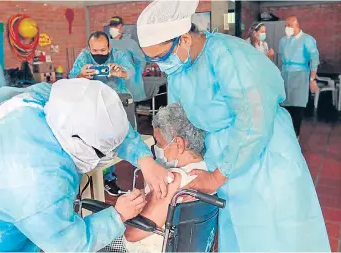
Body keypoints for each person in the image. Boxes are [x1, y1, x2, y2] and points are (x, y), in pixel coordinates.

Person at [112, 0, 330, 251]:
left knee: (272, 232)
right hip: (222, 157)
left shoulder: (228, 55)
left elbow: (253, 121)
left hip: (262, 155)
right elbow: (179, 116)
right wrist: (174, 156)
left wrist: (217, 175)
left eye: (161, 56)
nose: (161, 65)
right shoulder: (180, 67)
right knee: (237, 231)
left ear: (183, 38)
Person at [0, 78, 147, 252]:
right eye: (101, 152)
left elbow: (104, 124)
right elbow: (69, 245)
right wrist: (117, 215)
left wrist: (143, 156)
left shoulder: (41, 99)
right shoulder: (40, 181)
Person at [124, 103, 211, 253]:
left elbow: (132, 234)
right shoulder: (207, 174)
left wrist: (125, 212)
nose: (156, 148)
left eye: (159, 143)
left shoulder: (171, 179)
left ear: (178, 143)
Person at [69, 31, 136, 196]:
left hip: (116, 101)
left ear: (109, 47)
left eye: (103, 51)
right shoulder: (84, 56)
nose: (99, 54)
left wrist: (121, 72)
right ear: (89, 48)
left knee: (118, 140)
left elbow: (132, 72)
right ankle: (94, 175)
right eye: (95, 51)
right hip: (93, 105)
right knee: (96, 142)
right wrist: (81, 75)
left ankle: (111, 177)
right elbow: (71, 77)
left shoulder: (118, 55)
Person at [279, 16, 320, 139]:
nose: (287, 28)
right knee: (284, 106)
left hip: (300, 75)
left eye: (290, 26)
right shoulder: (283, 41)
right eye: (285, 25)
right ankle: (285, 134)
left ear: (297, 26)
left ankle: (295, 135)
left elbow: (314, 59)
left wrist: (312, 79)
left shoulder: (307, 40)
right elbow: (281, 57)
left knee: (297, 106)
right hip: (285, 75)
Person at [109, 16, 147, 102]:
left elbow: (141, 60)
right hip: (111, 82)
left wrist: (136, 75)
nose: (114, 28)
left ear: (121, 27)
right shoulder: (106, 43)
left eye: (116, 26)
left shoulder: (130, 43)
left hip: (128, 83)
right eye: (112, 26)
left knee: (128, 108)